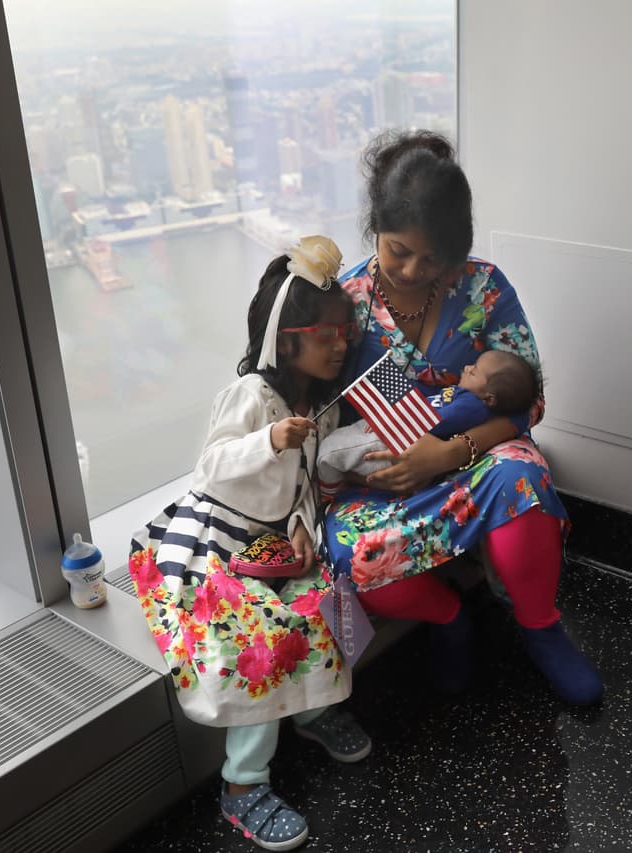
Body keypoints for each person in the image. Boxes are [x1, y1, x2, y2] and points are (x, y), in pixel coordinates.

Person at [324, 130, 604, 706]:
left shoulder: (483, 287)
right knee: (351, 557)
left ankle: (541, 627)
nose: (412, 269)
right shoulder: (347, 304)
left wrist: (451, 452)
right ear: (375, 225)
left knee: (522, 479)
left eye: (432, 257)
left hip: (477, 458)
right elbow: (321, 414)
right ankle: (447, 617)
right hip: (382, 477)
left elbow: (528, 402)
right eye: (398, 250)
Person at [128, 236, 371, 851]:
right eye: (327, 335)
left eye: (345, 334)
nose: (340, 346)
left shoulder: (323, 405)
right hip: (220, 540)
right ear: (285, 340)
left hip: (276, 540)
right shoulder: (252, 398)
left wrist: (302, 526)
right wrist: (268, 441)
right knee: (258, 642)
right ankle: (242, 783)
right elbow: (210, 468)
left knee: (322, 607)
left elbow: (305, 483)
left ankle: (311, 712)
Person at [317, 349, 539, 492]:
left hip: (402, 443)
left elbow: (434, 421)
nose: (467, 367)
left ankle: (329, 491)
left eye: (474, 372)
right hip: (397, 428)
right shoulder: (465, 396)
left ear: (489, 398)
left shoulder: (472, 405)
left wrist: (393, 419)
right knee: (337, 443)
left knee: (329, 451)